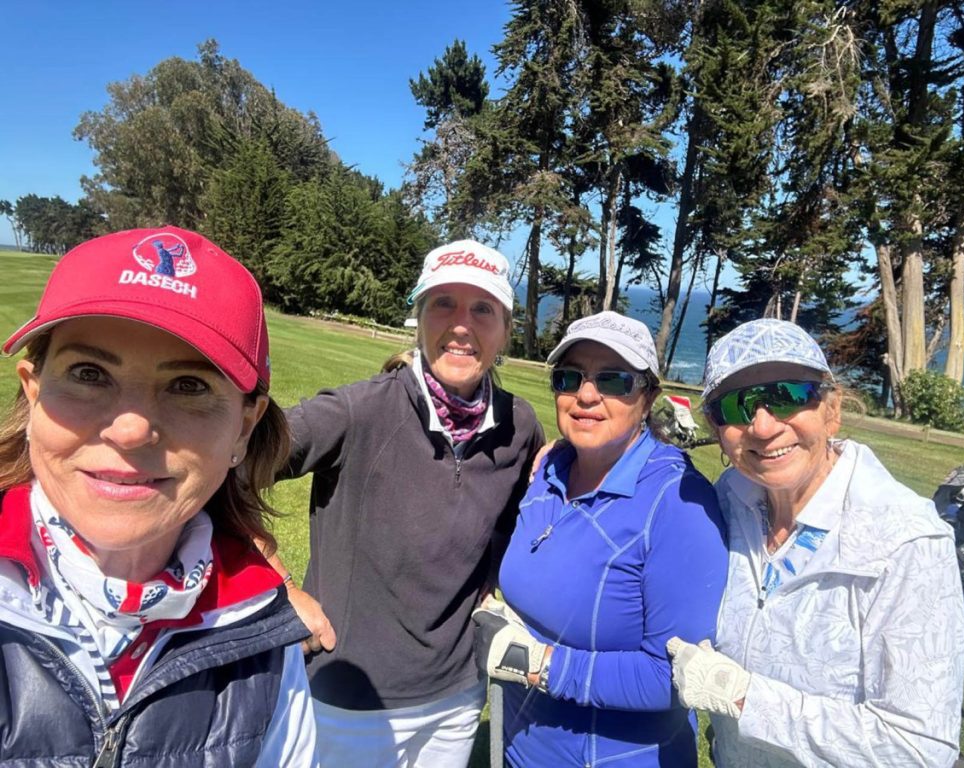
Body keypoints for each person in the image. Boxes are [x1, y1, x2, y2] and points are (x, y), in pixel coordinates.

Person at [0, 227, 317, 766]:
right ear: (34, 393)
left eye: (188, 385)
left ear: (244, 428)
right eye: (89, 373)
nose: (129, 431)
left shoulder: (266, 639)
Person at [270, 239, 545, 766]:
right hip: (349, 701)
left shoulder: (520, 425)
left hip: (457, 697)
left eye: (482, 309)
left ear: (506, 330)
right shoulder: (358, 411)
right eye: (443, 303)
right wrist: (279, 586)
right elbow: (226, 465)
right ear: (418, 317)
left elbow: (515, 519)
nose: (461, 325)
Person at [667, 318, 964, 767]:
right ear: (715, 425)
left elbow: (919, 748)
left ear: (832, 408)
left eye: (788, 395)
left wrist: (745, 698)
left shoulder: (908, 541)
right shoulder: (731, 498)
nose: (763, 426)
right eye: (736, 405)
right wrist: (568, 459)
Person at [473, 311, 728, 767]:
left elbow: (676, 674)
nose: (586, 395)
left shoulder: (678, 505)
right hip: (521, 749)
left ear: (648, 398)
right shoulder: (550, 471)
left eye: (613, 380)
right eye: (569, 378)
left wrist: (538, 664)